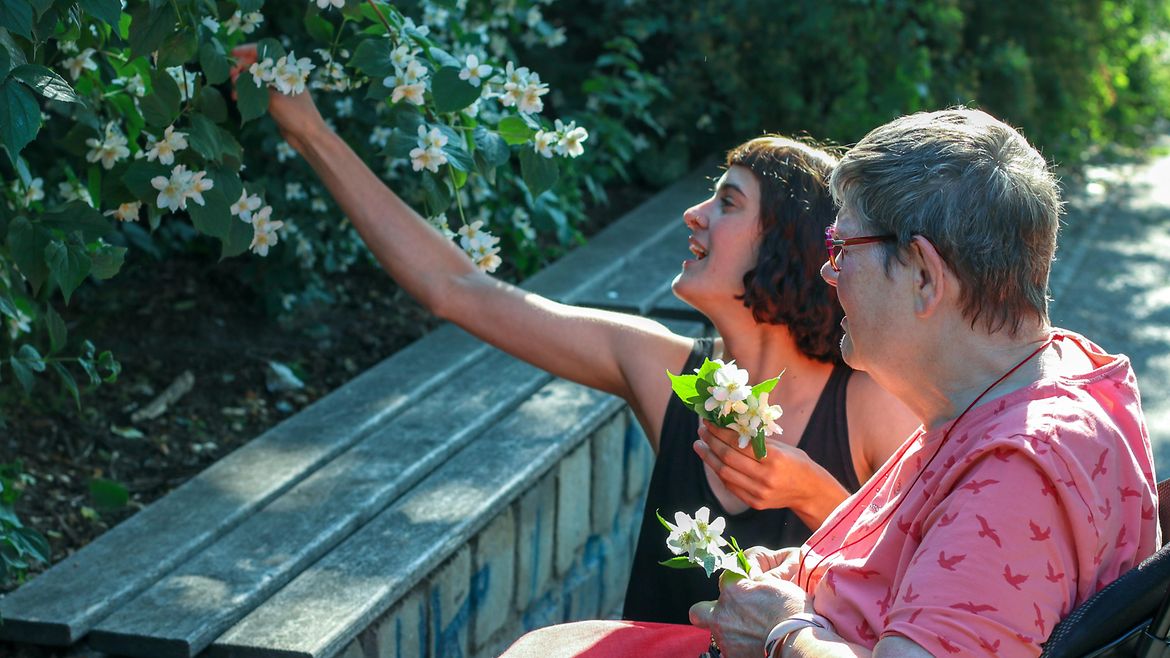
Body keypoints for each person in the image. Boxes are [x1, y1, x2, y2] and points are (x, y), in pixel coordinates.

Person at [229, 46, 918, 624]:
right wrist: (308, 132)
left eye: (728, 201)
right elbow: (458, 291)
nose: (693, 214)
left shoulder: (869, 405)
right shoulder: (663, 369)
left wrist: (812, 493)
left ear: (787, 244)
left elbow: (933, 591)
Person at [502, 108, 1162, 657]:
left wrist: (783, 630)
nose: (828, 275)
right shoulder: (1057, 374)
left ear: (924, 276)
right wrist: (798, 578)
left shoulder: (1017, 473)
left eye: (842, 251)